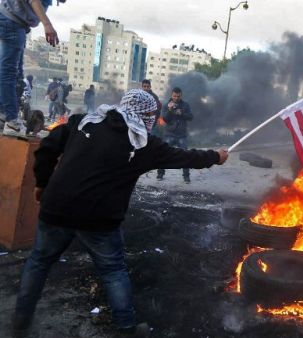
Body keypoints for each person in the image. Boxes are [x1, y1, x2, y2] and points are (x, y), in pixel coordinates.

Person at [12, 89, 228, 337]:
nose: (151, 120)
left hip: (56, 208)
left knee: (39, 262)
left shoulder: (83, 122)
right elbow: (185, 157)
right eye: (150, 115)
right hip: (99, 219)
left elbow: (46, 148)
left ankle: (20, 322)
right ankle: (126, 328)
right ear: (145, 114)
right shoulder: (142, 144)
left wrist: (42, 182)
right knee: (113, 270)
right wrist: (216, 157)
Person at [0, 0, 60, 136]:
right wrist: (47, 24)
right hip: (12, 22)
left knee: (16, 76)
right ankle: (11, 121)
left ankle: (4, 115)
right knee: (9, 74)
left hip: (14, 23)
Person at [156, 87, 194, 183]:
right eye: (174, 96)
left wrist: (181, 113)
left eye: (178, 96)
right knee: (163, 153)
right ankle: (160, 174)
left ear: (181, 95)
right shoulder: (166, 105)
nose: (176, 98)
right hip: (170, 134)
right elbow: (164, 120)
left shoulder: (185, 105)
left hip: (182, 135)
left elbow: (191, 117)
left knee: (185, 155)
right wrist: (170, 110)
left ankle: (186, 177)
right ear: (171, 95)